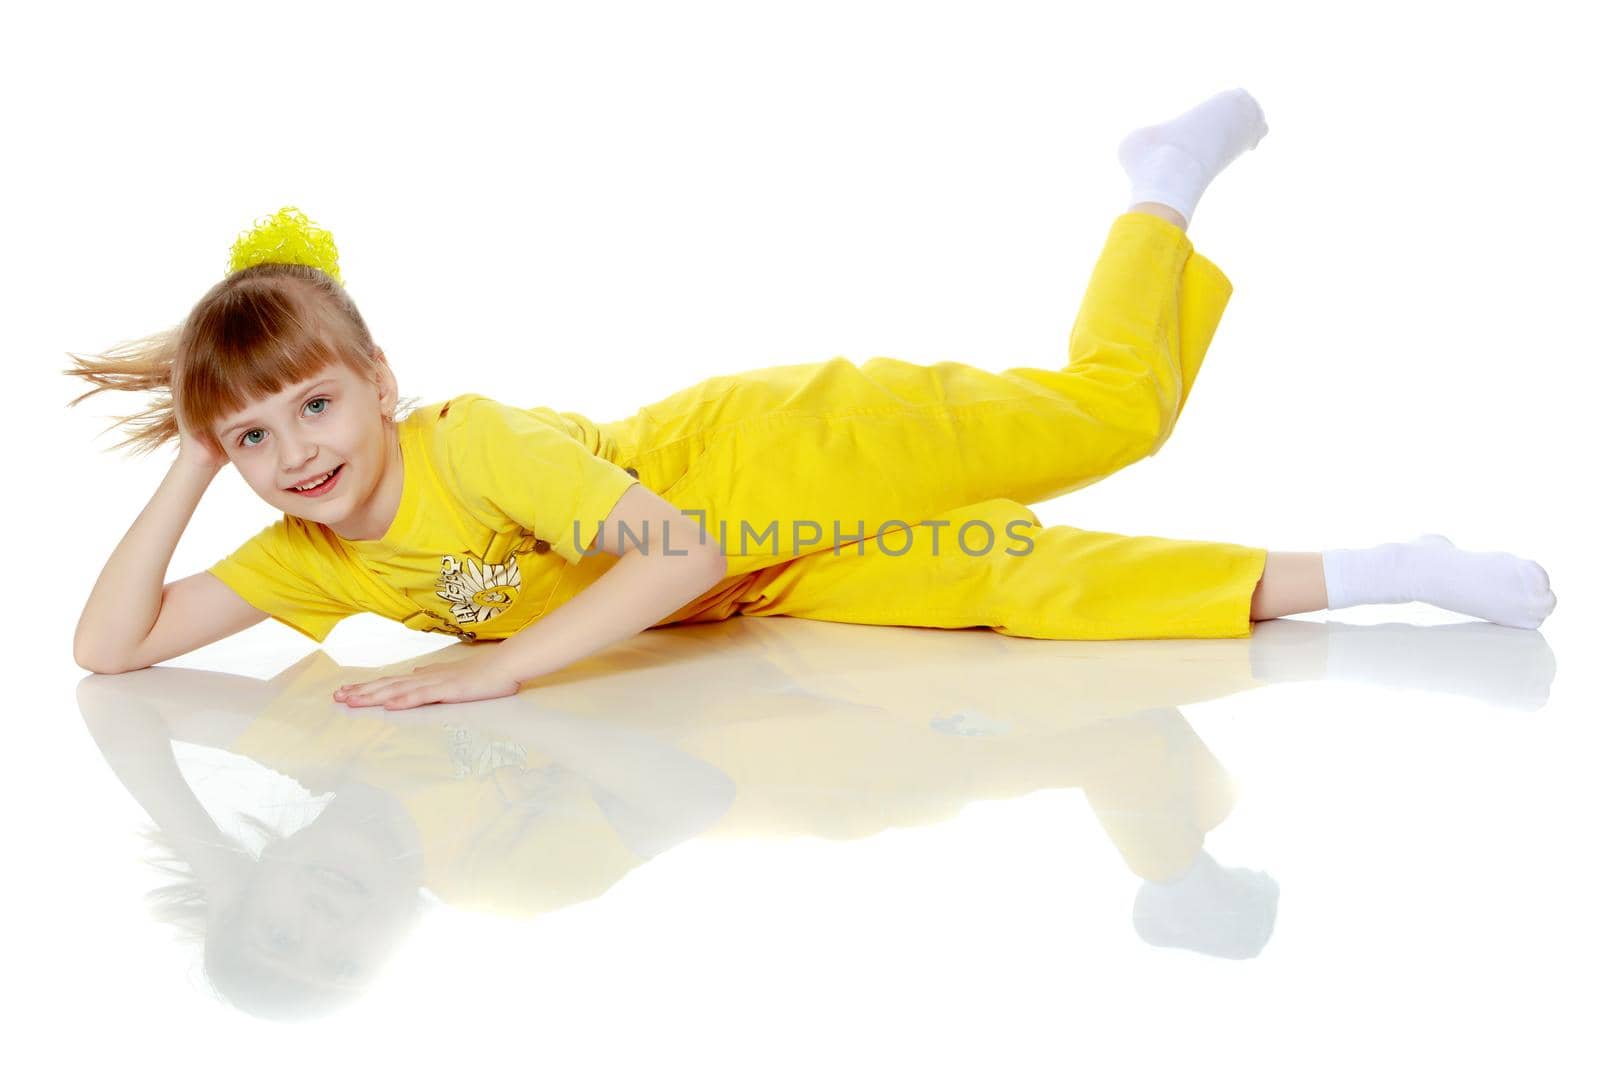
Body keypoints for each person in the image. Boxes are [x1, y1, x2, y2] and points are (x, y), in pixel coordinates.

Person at [67, 88, 1557, 710]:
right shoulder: (308, 548)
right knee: (1022, 586)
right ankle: (1389, 575)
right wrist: (189, 471)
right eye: (254, 436)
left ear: (382, 386)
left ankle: (1155, 192)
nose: (293, 453)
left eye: (312, 408)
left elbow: (675, 551)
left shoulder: (483, 441)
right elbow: (111, 650)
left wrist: (494, 671)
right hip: (764, 582)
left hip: (776, 459)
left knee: (1110, 417)